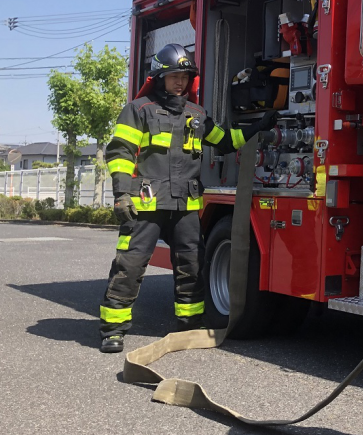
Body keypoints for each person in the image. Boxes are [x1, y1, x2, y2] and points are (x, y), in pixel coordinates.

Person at [98, 43, 277, 353]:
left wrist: (257, 127)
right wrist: (122, 194)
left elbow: (224, 141)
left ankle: (189, 325)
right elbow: (120, 153)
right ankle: (113, 330)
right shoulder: (139, 110)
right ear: (159, 78)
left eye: (184, 77)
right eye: (173, 77)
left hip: (186, 207)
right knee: (130, 265)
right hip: (147, 205)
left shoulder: (196, 114)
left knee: (192, 266)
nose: (179, 82)